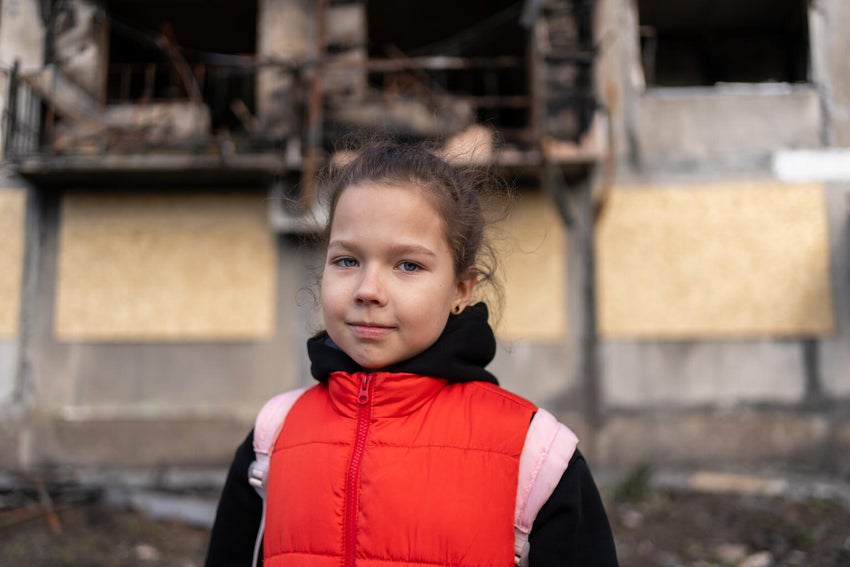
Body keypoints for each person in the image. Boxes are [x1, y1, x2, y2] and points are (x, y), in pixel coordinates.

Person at [204, 141, 619, 567]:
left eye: (408, 266)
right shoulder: (271, 441)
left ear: (461, 289)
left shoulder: (536, 456)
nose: (368, 290)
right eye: (347, 261)